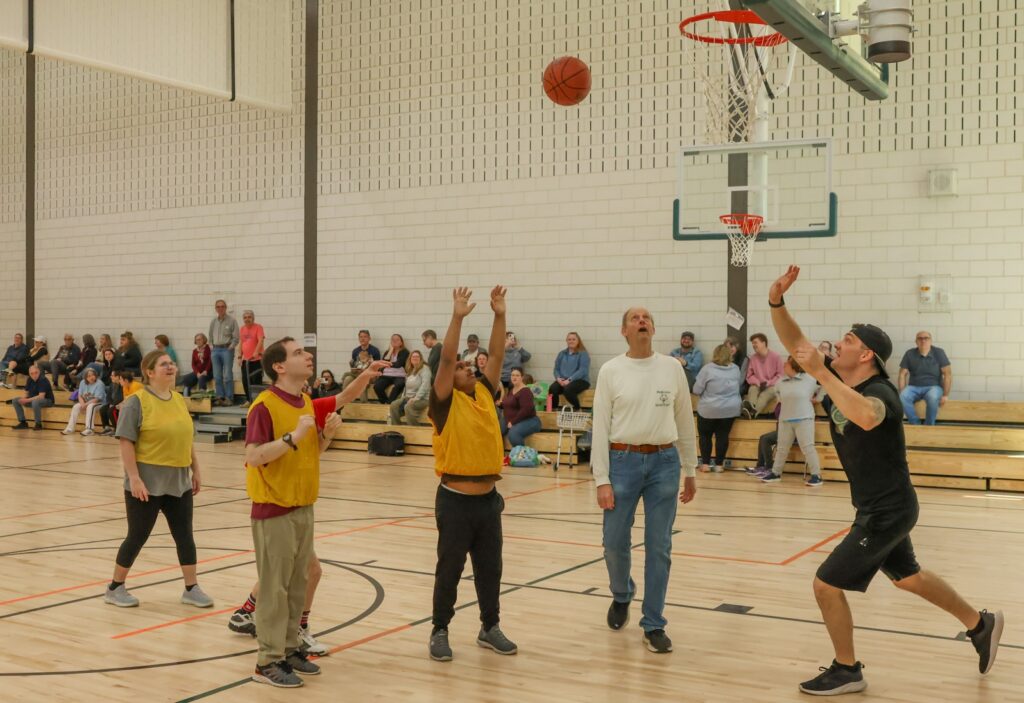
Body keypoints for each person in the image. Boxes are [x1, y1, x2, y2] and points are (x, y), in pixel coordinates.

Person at [768, 264, 1003, 695]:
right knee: (909, 577)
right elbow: (795, 343)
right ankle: (980, 624)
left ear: (866, 357)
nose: (840, 342)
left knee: (826, 584)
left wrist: (821, 372)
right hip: (880, 505)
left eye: (850, 340)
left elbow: (865, 416)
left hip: (887, 510)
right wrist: (776, 302)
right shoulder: (841, 377)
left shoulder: (882, 395)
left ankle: (847, 669)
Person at [242, 337, 386, 687]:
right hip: (273, 508)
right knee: (274, 589)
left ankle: (290, 649)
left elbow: (313, 448)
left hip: (303, 506)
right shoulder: (264, 406)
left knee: (296, 585)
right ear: (278, 366)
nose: (308, 356)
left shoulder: (304, 401)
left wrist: (327, 436)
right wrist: (293, 436)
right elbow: (253, 456)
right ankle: (267, 660)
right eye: (298, 353)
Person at [592, 307, 699, 654]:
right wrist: (601, 479)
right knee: (613, 542)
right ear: (623, 330)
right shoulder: (611, 371)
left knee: (659, 546)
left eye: (647, 318)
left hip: (665, 463)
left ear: (653, 328)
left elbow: (684, 419)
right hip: (621, 461)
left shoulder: (672, 368)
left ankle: (653, 623)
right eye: (635, 318)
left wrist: (690, 469)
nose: (642, 321)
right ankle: (622, 593)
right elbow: (600, 428)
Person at [427, 285, 518, 663]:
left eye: (470, 365)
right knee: (450, 569)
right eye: (464, 367)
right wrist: (457, 316)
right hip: (455, 501)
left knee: (491, 569)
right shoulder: (444, 403)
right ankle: (439, 629)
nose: (468, 367)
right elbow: (447, 359)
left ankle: (488, 626)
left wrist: (499, 314)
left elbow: (496, 354)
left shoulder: (483, 392)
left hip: (486, 501)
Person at [104, 350, 212, 609]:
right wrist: (134, 478)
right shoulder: (136, 401)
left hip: (179, 481)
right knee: (137, 535)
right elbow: (126, 441)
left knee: (185, 535)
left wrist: (195, 469)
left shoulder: (177, 399)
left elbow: (186, 439)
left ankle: (191, 587)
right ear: (150, 372)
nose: (171, 367)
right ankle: (115, 587)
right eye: (164, 364)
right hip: (146, 482)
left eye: (172, 363)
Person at [760, 356, 823, 486]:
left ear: (794, 366)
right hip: (785, 420)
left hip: (804, 419)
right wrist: (779, 399)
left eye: (786, 363)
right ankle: (775, 473)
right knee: (782, 448)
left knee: (808, 448)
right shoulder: (781, 381)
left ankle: (817, 476)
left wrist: (819, 398)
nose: (783, 364)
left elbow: (826, 385)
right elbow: (776, 392)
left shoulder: (810, 379)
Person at [692, 344, 742, 473]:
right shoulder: (736, 369)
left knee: (705, 436)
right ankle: (719, 465)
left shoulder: (707, 369)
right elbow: (739, 385)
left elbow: (696, 390)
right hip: (730, 409)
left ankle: (705, 465)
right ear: (729, 355)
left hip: (709, 409)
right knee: (723, 436)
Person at [898, 331, 951, 426]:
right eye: (920, 338)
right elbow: (902, 374)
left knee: (932, 397)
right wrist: (902, 390)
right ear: (916, 341)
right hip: (913, 387)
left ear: (931, 341)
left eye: (926, 338)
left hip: (934, 387)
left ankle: (929, 425)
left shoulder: (939, 352)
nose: (923, 340)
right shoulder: (909, 354)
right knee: (902, 396)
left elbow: (947, 374)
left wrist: (945, 395)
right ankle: (915, 423)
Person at [743, 333, 784, 419]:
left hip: (772, 385)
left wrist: (768, 383)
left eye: (755, 342)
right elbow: (749, 376)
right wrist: (758, 382)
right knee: (752, 389)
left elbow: (780, 375)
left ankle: (752, 413)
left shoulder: (776, 357)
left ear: (764, 343)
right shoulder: (753, 358)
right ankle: (751, 409)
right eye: (752, 343)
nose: (753, 345)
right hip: (758, 384)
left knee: (764, 395)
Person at [500, 367, 542, 450]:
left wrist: (513, 422)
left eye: (517, 375)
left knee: (513, 433)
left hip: (530, 421)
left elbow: (526, 410)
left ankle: (522, 456)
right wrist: (500, 405)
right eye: (512, 375)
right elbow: (509, 404)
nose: (514, 377)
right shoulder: (512, 390)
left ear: (522, 377)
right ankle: (499, 455)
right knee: (497, 431)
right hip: (511, 419)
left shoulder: (525, 391)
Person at [548, 332, 591, 411]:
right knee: (552, 388)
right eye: (569, 339)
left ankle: (577, 409)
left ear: (578, 341)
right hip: (563, 380)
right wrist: (558, 378)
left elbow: (583, 370)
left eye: (574, 339)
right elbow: (556, 369)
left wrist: (569, 380)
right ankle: (554, 409)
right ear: (566, 341)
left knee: (568, 390)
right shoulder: (562, 354)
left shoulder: (583, 353)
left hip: (580, 381)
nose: (571, 341)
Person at [209, 299, 240, 406]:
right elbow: (210, 336)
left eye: (222, 306)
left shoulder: (232, 321)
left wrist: (231, 347)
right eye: (218, 307)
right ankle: (220, 397)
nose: (220, 308)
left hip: (227, 350)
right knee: (217, 376)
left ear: (225, 308)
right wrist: (211, 347)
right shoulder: (213, 321)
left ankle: (229, 398)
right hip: (215, 350)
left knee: (227, 375)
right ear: (215, 308)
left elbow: (236, 337)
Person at [61, 367, 107, 436]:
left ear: (96, 375)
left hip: (100, 403)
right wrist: (82, 404)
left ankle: (89, 429)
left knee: (91, 406)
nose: (91, 377)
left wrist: (85, 405)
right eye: (89, 376)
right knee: (76, 406)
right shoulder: (82, 382)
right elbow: (80, 395)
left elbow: (97, 399)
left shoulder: (99, 384)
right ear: (85, 378)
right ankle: (70, 428)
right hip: (87, 402)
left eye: (93, 375)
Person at [390, 351, 431, 425]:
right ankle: (396, 429)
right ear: (410, 359)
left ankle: (414, 429)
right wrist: (403, 397)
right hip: (408, 397)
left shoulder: (425, 369)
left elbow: (425, 385)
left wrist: (416, 398)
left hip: (423, 399)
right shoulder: (410, 369)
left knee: (408, 406)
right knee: (394, 405)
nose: (415, 358)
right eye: (413, 357)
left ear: (421, 359)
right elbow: (406, 387)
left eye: (417, 356)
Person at [98, 370, 143, 437]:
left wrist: (121, 405)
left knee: (113, 410)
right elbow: (125, 399)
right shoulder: (125, 386)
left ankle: (119, 430)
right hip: (131, 405)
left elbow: (135, 400)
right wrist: (120, 405)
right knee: (113, 409)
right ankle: (116, 429)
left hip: (140, 406)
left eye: (121, 379)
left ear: (126, 380)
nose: (120, 381)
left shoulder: (136, 386)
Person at [10, 364, 54, 430]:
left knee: (35, 402)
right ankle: (23, 422)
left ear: (39, 372)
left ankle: (38, 424)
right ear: (29, 374)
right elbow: (26, 392)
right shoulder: (29, 379)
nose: (34, 375)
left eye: (36, 373)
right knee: (15, 400)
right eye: (32, 373)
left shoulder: (43, 379)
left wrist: (27, 400)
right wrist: (24, 399)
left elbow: (41, 396)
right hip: (33, 400)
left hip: (47, 401)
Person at [238, 310, 266, 405]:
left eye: (249, 317)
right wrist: (239, 356)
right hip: (246, 360)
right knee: (245, 380)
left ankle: (257, 401)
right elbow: (241, 343)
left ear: (253, 318)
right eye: (245, 317)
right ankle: (249, 400)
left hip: (256, 359)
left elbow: (260, 340)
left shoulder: (258, 327)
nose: (247, 319)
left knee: (256, 380)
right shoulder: (242, 329)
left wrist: (256, 352)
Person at [373, 334, 409, 404]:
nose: (394, 341)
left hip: (399, 375)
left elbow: (398, 364)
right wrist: (391, 350)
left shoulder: (405, 352)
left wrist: (388, 364)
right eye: (393, 339)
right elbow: (383, 363)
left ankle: (390, 403)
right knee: (377, 386)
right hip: (386, 375)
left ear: (401, 342)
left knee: (399, 384)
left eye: (397, 339)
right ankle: (384, 402)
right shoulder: (387, 352)